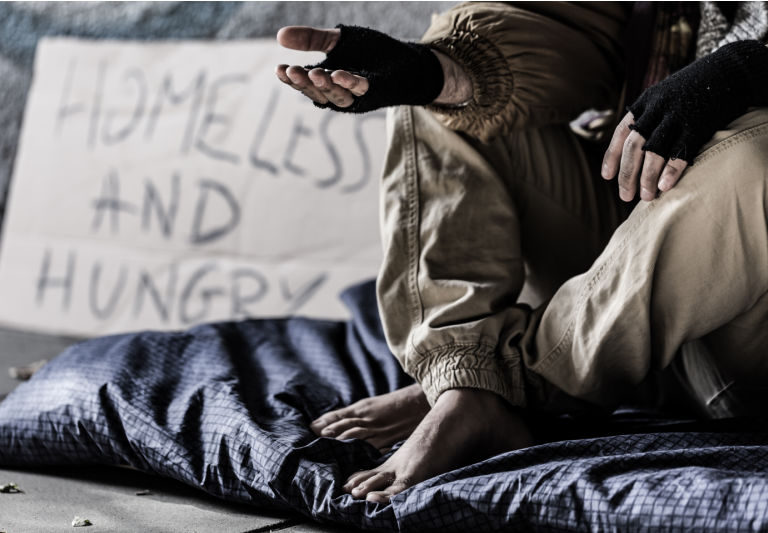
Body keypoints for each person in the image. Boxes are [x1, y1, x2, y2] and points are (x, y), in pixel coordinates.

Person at [275, 2, 768, 503]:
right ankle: (465, 379)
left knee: (755, 158)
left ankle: (512, 386)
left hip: (743, 343)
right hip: (624, 270)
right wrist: (442, 73)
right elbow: (575, 24)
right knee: (440, 99)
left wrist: (754, 69)